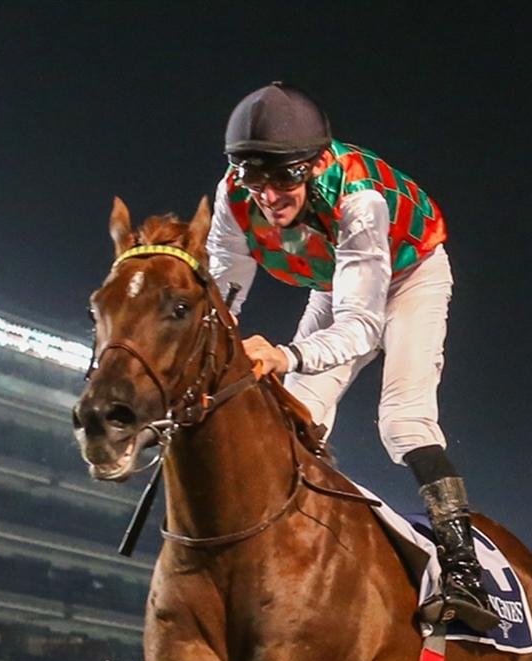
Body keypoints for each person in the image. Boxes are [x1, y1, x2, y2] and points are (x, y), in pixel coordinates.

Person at [204, 82, 497, 630]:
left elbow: (361, 326)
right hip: (337, 276)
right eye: (253, 176)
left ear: (315, 164)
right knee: (296, 408)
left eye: (283, 175)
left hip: (410, 275)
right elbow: (222, 296)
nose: (267, 194)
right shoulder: (231, 196)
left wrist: (285, 354)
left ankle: (464, 575)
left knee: (402, 419)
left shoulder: (359, 198)